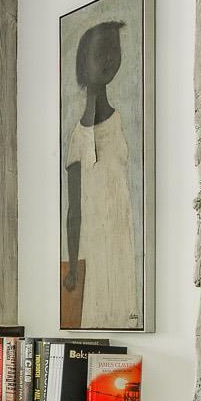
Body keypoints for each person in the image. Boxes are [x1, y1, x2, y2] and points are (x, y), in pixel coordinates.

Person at [63, 19, 138, 327]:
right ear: (84, 63)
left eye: (114, 50)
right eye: (100, 52)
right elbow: (74, 210)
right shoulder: (77, 138)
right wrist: (72, 266)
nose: (109, 59)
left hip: (121, 239)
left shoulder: (124, 122)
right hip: (92, 244)